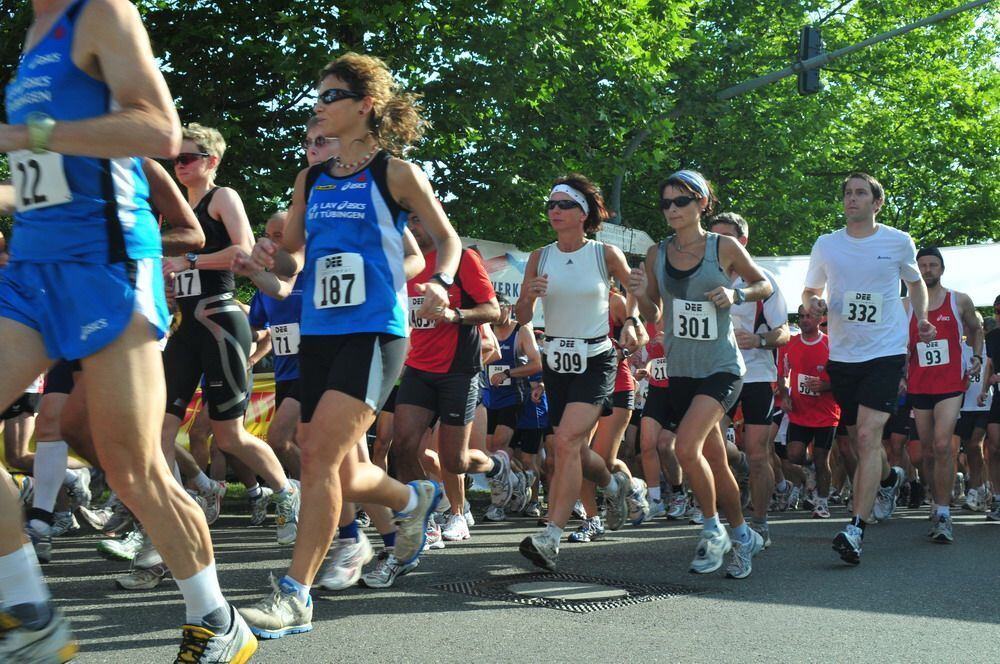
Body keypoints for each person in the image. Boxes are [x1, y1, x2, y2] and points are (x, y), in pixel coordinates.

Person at [0, 0, 255, 660]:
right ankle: (27, 607)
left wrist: (23, 137)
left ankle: (217, 619)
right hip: (32, 268)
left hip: (106, 263)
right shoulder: (35, 32)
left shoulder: (102, 13)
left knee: (135, 469)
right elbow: (41, 178)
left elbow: (157, 128)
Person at [235, 52, 461, 640]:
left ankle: (294, 594)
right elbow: (296, 257)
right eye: (317, 97)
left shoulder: (395, 173)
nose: (318, 106)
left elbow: (446, 239)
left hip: (375, 332)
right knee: (323, 456)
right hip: (320, 333)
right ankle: (414, 501)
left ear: (364, 106)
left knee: (316, 457)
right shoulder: (308, 178)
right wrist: (269, 258)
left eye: (329, 95)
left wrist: (437, 282)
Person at [630, 169, 772, 579]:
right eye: (666, 203)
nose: (672, 209)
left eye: (682, 201)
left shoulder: (722, 247)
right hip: (681, 370)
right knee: (713, 459)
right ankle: (744, 535)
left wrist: (736, 293)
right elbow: (655, 314)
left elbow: (762, 285)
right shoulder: (657, 253)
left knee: (685, 447)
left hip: (722, 368)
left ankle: (713, 532)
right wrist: (640, 294)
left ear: (702, 204)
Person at [803, 172, 934, 565]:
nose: (852, 198)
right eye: (847, 193)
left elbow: (914, 284)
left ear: (877, 203)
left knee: (865, 436)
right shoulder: (827, 244)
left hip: (885, 352)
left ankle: (855, 529)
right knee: (860, 447)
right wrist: (815, 305)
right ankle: (891, 478)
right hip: (844, 354)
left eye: (861, 193)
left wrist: (922, 318)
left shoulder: (897, 241)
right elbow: (810, 291)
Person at [515, 174, 640, 571]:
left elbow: (633, 287)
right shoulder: (541, 255)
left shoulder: (604, 254)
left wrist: (633, 319)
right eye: (550, 205)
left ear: (583, 214)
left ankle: (550, 535)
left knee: (566, 441)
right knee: (568, 447)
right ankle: (614, 483)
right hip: (556, 360)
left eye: (564, 205)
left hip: (597, 358)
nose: (554, 211)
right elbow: (520, 317)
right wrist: (529, 298)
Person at [709, 212, 790, 546]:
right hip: (715, 371)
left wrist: (757, 340)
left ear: (742, 242)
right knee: (705, 444)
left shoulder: (762, 280)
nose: (718, 245)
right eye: (713, 238)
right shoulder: (703, 276)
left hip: (756, 374)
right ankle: (736, 467)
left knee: (759, 453)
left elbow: (784, 333)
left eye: (725, 238)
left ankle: (759, 521)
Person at [904, 247, 982, 543]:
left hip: (951, 384)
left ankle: (943, 512)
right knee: (925, 451)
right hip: (919, 385)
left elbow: (977, 328)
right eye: (922, 265)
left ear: (942, 268)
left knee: (941, 445)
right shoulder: (905, 305)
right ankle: (936, 494)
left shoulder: (958, 300)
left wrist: (975, 356)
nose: (927, 270)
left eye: (932, 265)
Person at [776, 306, 840, 519]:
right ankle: (810, 467)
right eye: (801, 316)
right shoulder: (791, 344)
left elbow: (845, 379)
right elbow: (782, 375)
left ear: (820, 318)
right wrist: (785, 394)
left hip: (826, 412)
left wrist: (826, 386)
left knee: (823, 459)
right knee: (794, 454)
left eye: (809, 317)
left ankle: (821, 503)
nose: (804, 320)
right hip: (799, 412)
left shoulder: (832, 345)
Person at [978, 295, 1000, 521]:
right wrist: (984, 390)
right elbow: (990, 365)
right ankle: (997, 497)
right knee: (993, 447)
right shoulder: (993, 337)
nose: (998, 316)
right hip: (998, 396)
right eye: (997, 311)